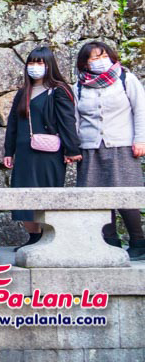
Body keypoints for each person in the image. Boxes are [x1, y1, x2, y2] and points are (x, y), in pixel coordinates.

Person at [3, 46, 81, 248]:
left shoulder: (59, 90)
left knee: (47, 193)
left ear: (49, 65)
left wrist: (72, 150)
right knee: (22, 195)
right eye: (31, 62)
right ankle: (33, 238)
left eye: (40, 62)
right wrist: (8, 151)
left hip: (49, 153)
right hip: (24, 152)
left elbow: (67, 121)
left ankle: (48, 237)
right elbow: (13, 123)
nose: (35, 67)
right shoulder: (23, 92)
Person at [73, 41, 145, 260]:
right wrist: (75, 146)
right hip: (90, 147)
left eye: (102, 56)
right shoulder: (79, 86)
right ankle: (109, 241)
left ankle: (138, 241)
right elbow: (75, 119)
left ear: (111, 56)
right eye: (93, 58)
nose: (99, 61)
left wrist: (140, 140)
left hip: (122, 146)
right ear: (84, 63)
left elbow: (140, 110)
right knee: (95, 198)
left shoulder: (126, 79)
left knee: (127, 195)